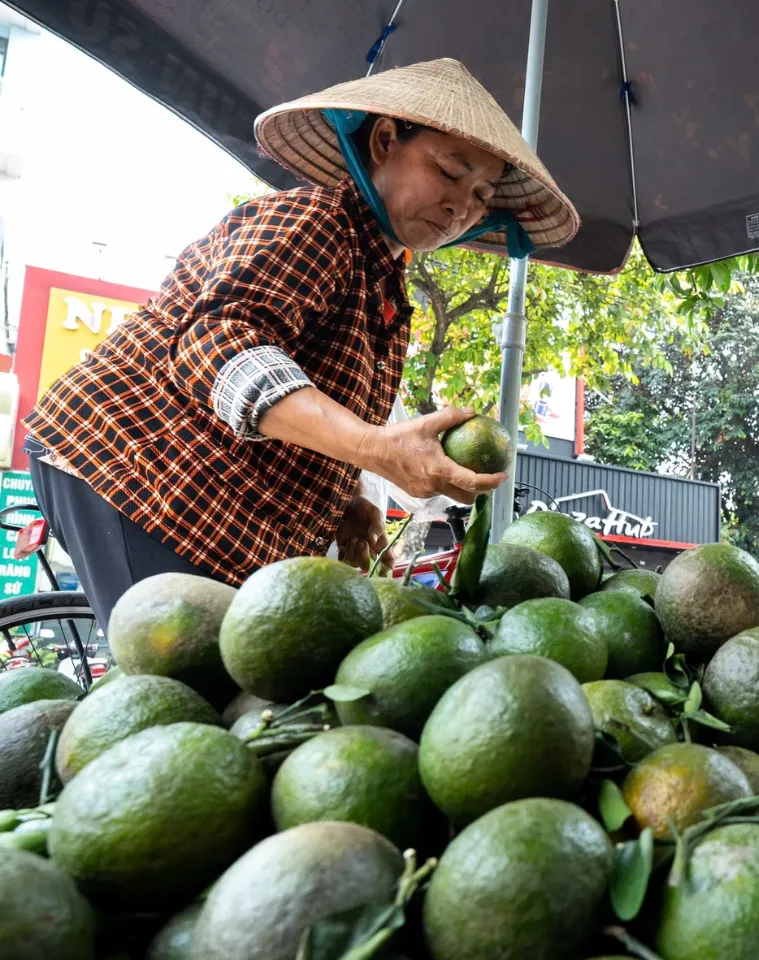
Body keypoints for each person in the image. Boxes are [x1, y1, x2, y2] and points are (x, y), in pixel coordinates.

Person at [22, 59, 580, 624]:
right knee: (176, 682)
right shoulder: (317, 222)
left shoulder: (383, 279)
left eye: (482, 196)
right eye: (450, 173)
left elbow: (306, 408)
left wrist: (345, 500)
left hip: (220, 506)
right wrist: (377, 449)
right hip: (137, 471)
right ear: (385, 141)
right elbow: (220, 344)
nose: (461, 207)